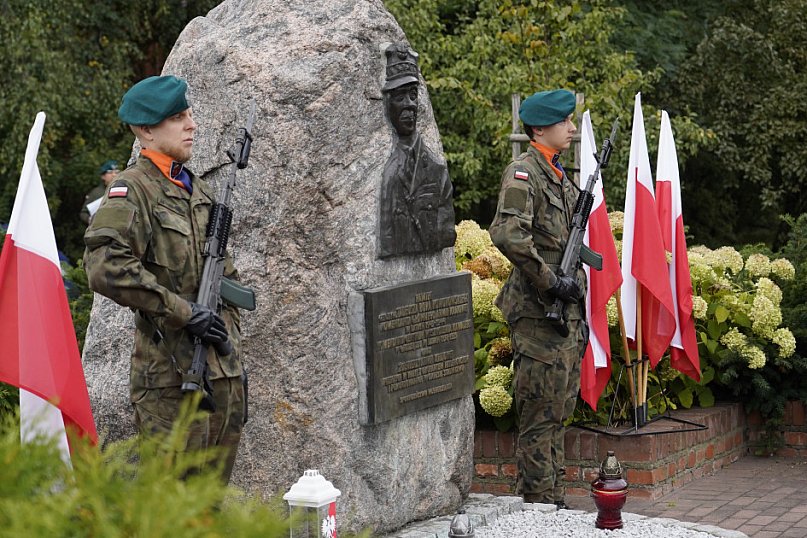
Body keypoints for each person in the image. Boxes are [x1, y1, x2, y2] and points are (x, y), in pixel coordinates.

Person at [83, 75, 245, 483]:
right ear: (146, 130)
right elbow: (104, 266)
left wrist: (234, 357)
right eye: (177, 117)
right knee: (173, 505)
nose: (191, 124)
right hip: (171, 382)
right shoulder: (133, 190)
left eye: (189, 114)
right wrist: (183, 312)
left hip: (221, 376)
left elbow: (223, 279)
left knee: (210, 503)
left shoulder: (198, 190)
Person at [489, 89, 588, 509]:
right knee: (538, 420)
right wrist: (551, 282)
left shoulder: (559, 174)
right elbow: (508, 235)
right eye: (564, 121)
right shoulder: (524, 173)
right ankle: (538, 506)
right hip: (537, 314)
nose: (572, 128)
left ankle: (554, 502)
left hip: (565, 315)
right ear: (541, 128)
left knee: (558, 414)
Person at [378, 43, 456, 259]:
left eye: (413, 95)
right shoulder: (388, 171)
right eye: (399, 97)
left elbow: (446, 233)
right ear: (387, 103)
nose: (409, 104)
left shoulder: (436, 170)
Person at [80, 160, 119, 225]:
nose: (114, 175)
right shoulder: (96, 193)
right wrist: (90, 220)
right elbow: (84, 213)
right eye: (110, 172)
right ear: (103, 176)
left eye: (116, 172)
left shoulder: (123, 190)